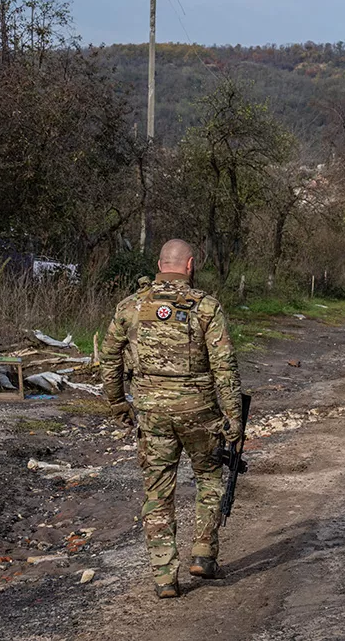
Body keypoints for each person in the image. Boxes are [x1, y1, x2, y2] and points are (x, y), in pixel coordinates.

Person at [100, 239, 243, 599]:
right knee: (209, 478)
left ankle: (165, 577)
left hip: (151, 413)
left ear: (160, 263)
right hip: (200, 411)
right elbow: (224, 367)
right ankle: (203, 553)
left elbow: (109, 358)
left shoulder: (131, 306)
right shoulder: (206, 306)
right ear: (190, 265)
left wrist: (119, 403)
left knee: (158, 491)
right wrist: (233, 417)